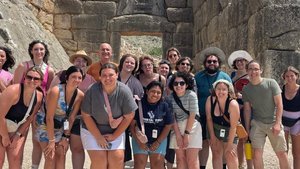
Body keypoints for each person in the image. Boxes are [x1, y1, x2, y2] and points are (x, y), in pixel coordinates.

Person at [81, 63, 138, 169]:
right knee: (100, 161)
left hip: (115, 130)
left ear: (117, 75)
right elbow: (86, 115)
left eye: (111, 75)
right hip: (92, 130)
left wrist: (115, 136)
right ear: (99, 77)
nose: (107, 78)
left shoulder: (124, 91)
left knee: (117, 159)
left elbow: (130, 115)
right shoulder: (92, 90)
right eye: (104, 75)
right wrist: (98, 137)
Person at [50, 50, 96, 169]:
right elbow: (51, 92)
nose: (80, 63)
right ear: (73, 61)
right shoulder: (61, 75)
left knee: (77, 148)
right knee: (59, 151)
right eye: (78, 60)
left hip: (77, 118)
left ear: (86, 64)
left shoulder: (91, 80)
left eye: (83, 61)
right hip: (57, 118)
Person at [13, 40, 55, 169]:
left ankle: (34, 167)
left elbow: (47, 91)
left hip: (39, 108)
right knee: (20, 140)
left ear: (45, 51)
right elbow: (15, 87)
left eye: (41, 49)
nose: (39, 52)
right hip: (23, 107)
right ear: (31, 51)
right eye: (36, 49)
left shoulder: (49, 70)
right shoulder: (23, 66)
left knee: (37, 140)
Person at [243, 60, 290, 169]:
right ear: (247, 71)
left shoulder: (271, 83)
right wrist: (247, 129)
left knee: (281, 153)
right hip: (257, 123)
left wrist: (278, 123)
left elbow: (279, 104)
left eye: (256, 69)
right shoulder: (246, 89)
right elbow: (247, 110)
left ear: (261, 70)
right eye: (250, 69)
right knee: (256, 154)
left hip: (273, 122)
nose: (253, 71)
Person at [37, 66, 84, 169]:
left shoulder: (79, 95)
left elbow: (71, 118)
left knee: (61, 154)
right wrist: (52, 140)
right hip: (46, 124)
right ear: (67, 78)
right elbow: (49, 117)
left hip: (61, 126)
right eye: (73, 77)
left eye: (79, 78)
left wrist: (65, 137)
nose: (77, 80)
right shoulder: (56, 91)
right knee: (50, 156)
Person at [195, 47, 232, 169]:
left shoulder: (225, 77)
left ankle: (223, 166)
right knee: (204, 142)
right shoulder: (198, 77)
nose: (211, 63)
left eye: (214, 61)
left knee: (222, 142)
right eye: (209, 61)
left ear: (219, 63)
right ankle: (202, 167)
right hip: (202, 115)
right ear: (205, 63)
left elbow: (231, 95)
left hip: (221, 116)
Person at [0, 67, 43, 168]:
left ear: (40, 82)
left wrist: (17, 135)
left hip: (16, 129)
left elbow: (30, 118)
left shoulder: (39, 96)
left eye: (36, 79)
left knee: (15, 159)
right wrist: (5, 136)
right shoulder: (13, 91)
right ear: (24, 78)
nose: (32, 80)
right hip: (1, 127)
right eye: (29, 77)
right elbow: (0, 115)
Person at [131, 81, 174, 169]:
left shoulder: (165, 104)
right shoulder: (138, 103)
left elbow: (168, 125)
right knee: (139, 164)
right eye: (153, 91)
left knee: (157, 165)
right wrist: (139, 142)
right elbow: (132, 125)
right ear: (147, 91)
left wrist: (158, 142)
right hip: (140, 139)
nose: (155, 94)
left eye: (158, 92)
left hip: (159, 139)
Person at [168, 72, 202, 169]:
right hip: (177, 127)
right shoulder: (170, 98)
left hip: (192, 126)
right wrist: (178, 135)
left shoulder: (192, 95)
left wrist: (186, 134)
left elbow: (193, 115)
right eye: (176, 83)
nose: (179, 85)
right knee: (180, 159)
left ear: (186, 84)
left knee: (192, 160)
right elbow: (172, 117)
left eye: (182, 83)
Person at [227, 50, 253, 169]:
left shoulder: (251, 75)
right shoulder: (232, 75)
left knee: (248, 137)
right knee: (239, 137)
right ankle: (240, 164)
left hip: (248, 109)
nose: (240, 63)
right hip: (236, 109)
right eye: (237, 61)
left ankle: (249, 165)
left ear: (246, 62)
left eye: (242, 60)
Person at [206, 79, 239, 169]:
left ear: (228, 91)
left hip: (230, 130)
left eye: (224, 89)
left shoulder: (233, 104)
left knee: (230, 154)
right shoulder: (210, 100)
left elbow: (233, 127)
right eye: (218, 89)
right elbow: (209, 118)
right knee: (216, 153)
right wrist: (212, 136)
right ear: (214, 90)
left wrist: (229, 144)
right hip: (215, 128)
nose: (221, 91)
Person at [118, 54, 144, 163]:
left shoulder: (136, 83)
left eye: (132, 63)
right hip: (108, 119)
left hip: (125, 121)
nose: (129, 64)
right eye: (127, 62)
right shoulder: (113, 76)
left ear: (135, 66)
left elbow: (138, 104)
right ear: (122, 63)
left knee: (121, 154)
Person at [281, 66, 300, 169]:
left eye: (292, 76)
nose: (290, 78)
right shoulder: (282, 88)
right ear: (284, 77)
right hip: (283, 122)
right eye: (287, 76)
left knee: (297, 153)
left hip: (297, 123)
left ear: (296, 76)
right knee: (283, 151)